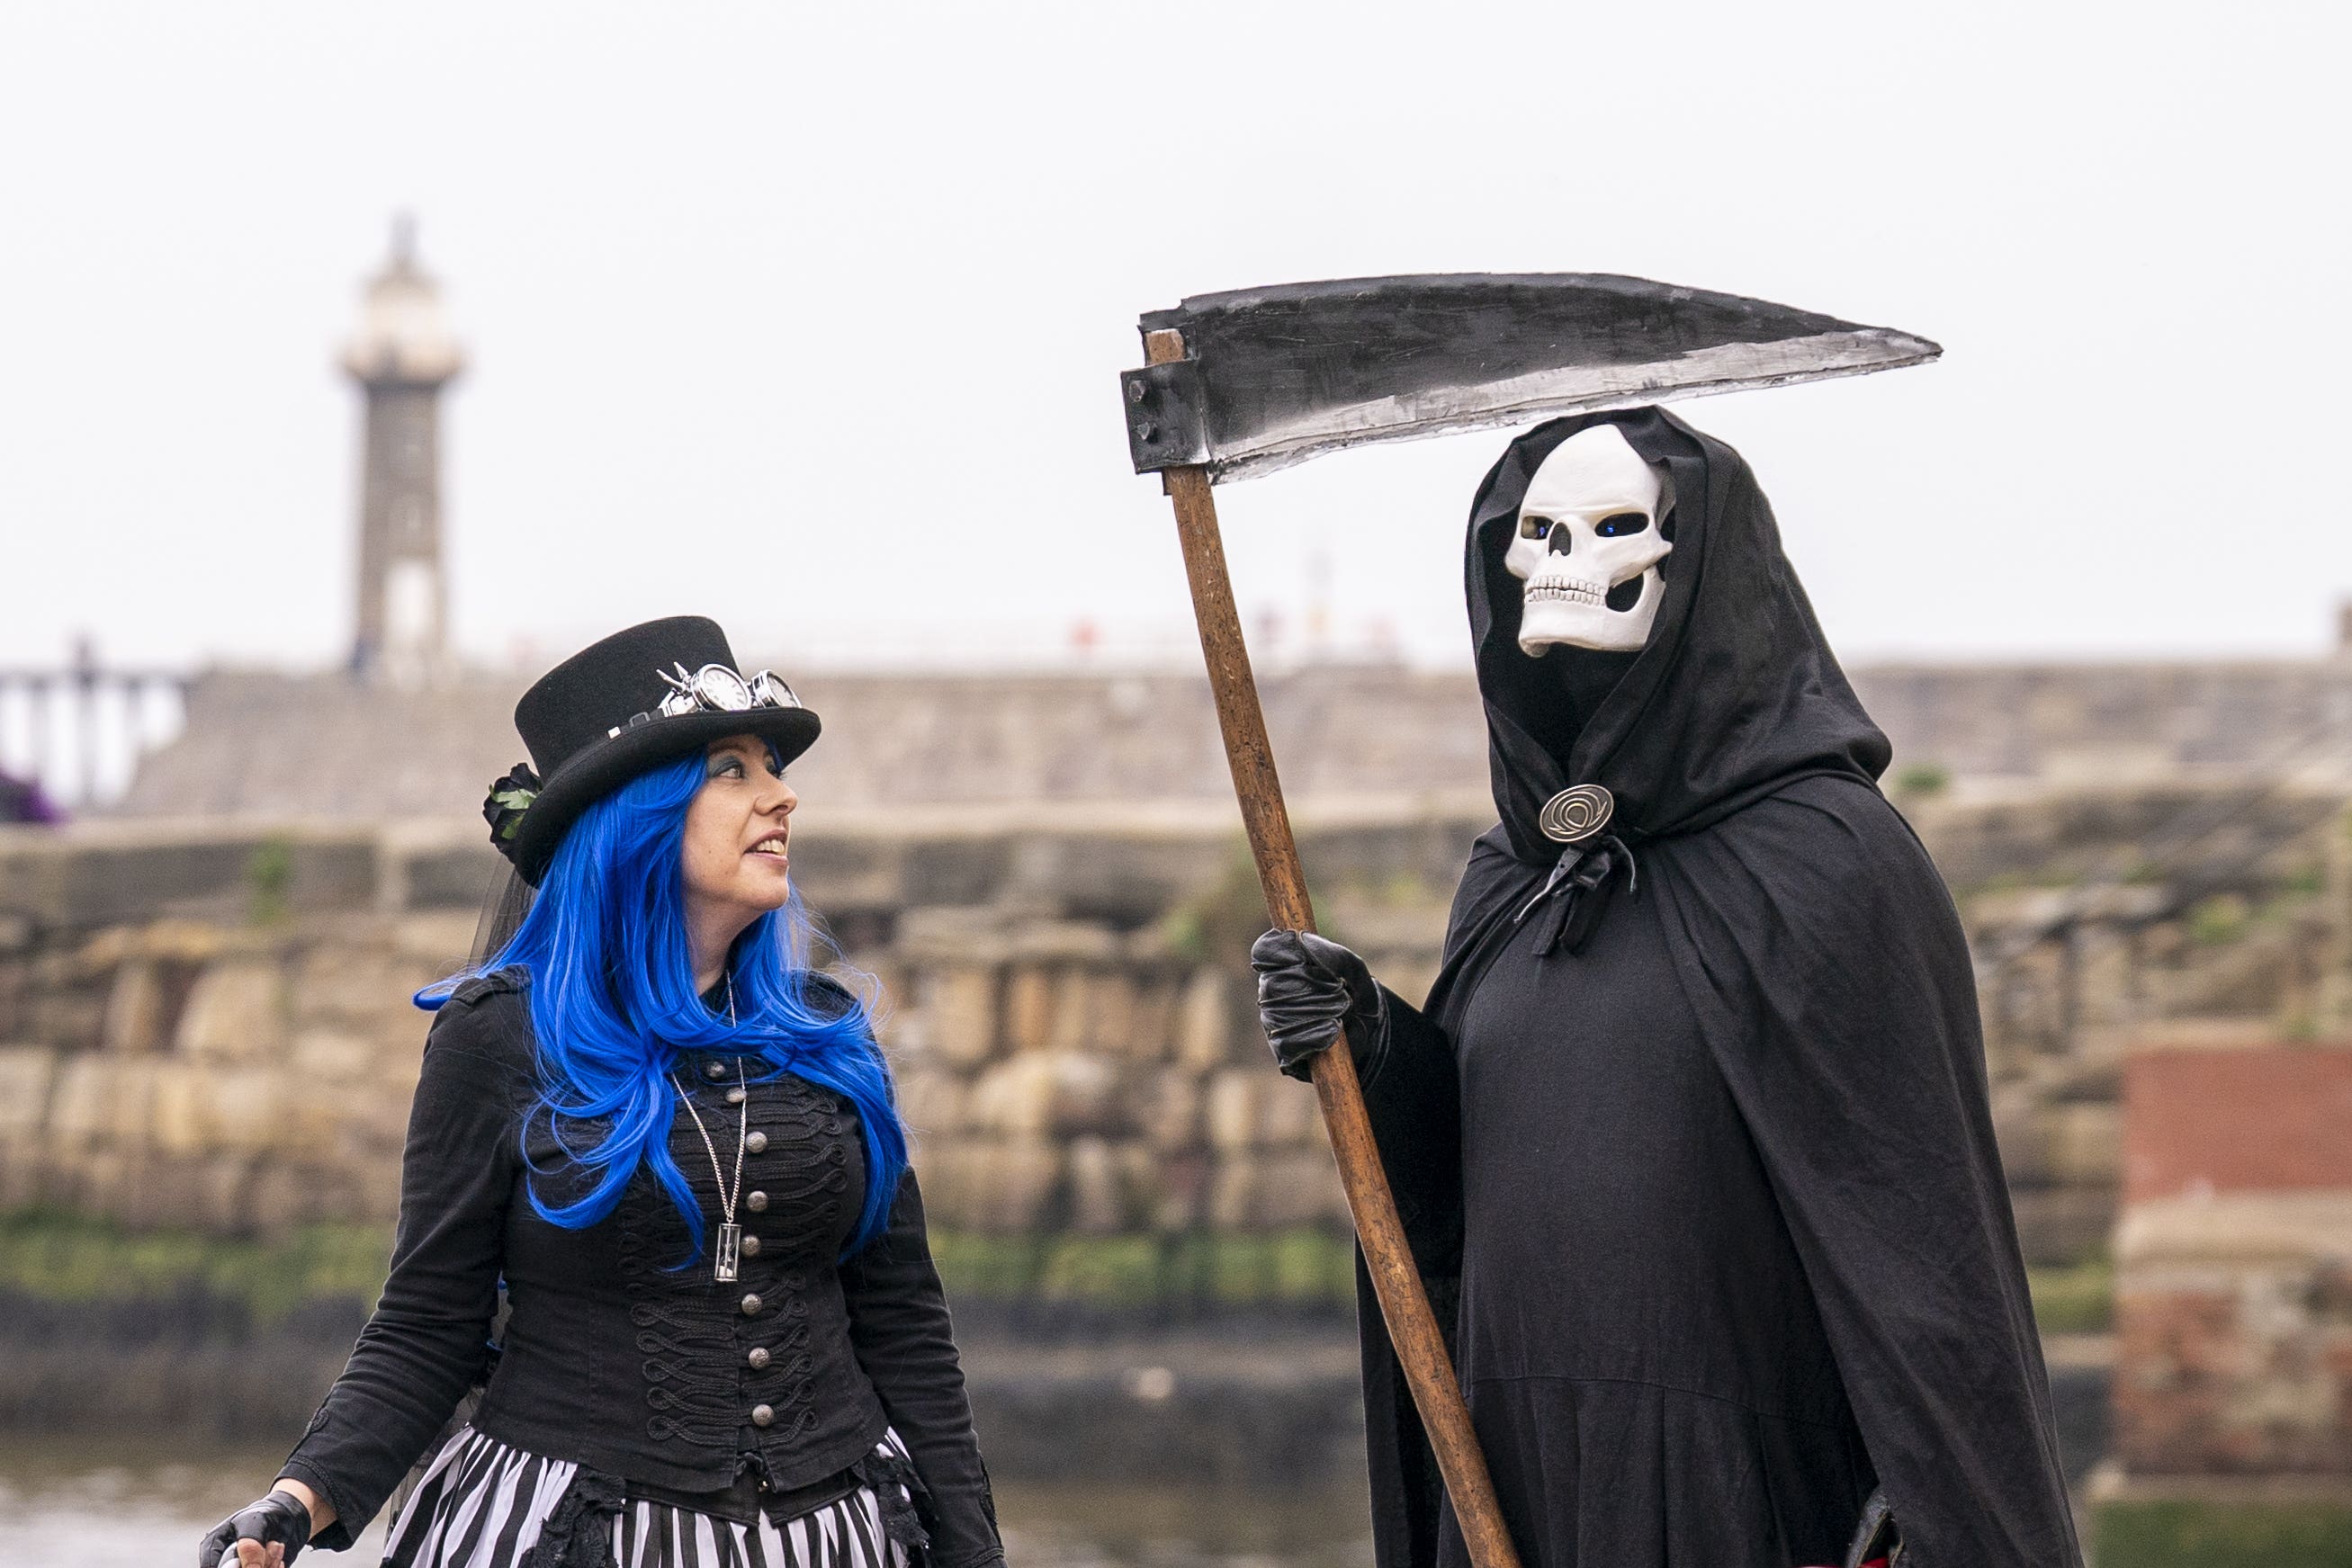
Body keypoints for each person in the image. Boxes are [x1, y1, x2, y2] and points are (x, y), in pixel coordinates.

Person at [1252, 409, 2080, 1568]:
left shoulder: (1832, 865)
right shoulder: (1513, 874)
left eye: (1608, 532)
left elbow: (1922, 1265)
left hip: (1734, 1501)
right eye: (1535, 534)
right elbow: (1461, 1199)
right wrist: (1371, 1045)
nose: (1561, 567)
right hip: (1512, 1483)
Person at [201, 617, 1001, 1568]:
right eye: (733, 770)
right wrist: (298, 1502)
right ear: (638, 814)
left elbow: (906, 1325)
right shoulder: (497, 1037)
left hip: (839, 1535)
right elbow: (428, 1326)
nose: (783, 798)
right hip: (577, 1534)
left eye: (774, 769)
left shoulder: (829, 1038)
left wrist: (974, 1552)